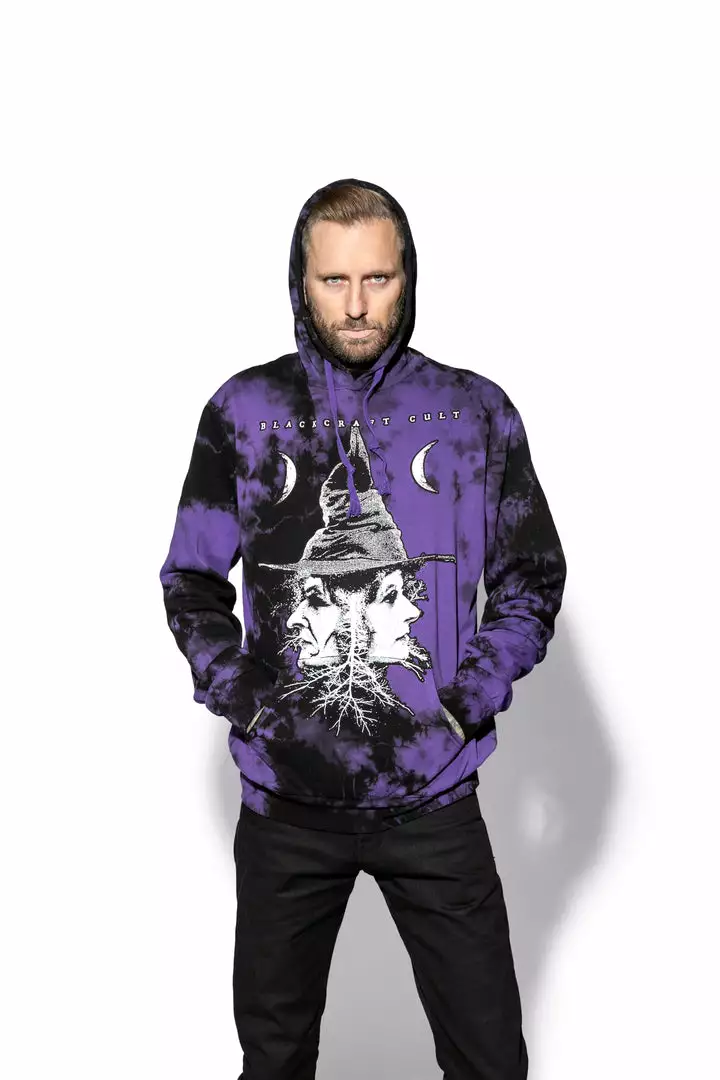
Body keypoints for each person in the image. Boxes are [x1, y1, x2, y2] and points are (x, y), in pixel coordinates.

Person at [159, 177, 567, 1079]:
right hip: (285, 805)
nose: (355, 306)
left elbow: (533, 576)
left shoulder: (474, 413)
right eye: (333, 280)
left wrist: (465, 698)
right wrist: (253, 704)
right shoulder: (244, 412)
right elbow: (190, 580)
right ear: (300, 281)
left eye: (376, 279)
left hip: (434, 800)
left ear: (407, 277)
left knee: (490, 1060)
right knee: (274, 1060)